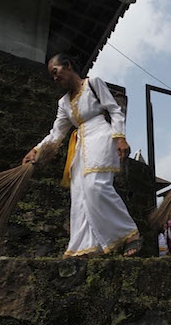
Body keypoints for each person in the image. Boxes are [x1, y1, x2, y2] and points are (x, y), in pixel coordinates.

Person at [23, 53, 140, 258]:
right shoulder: (63, 103)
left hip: (102, 137)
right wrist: (37, 149)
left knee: (96, 187)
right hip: (79, 148)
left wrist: (120, 137)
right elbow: (56, 134)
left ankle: (129, 233)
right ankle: (84, 247)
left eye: (56, 72)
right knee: (80, 196)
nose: (55, 78)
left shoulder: (93, 83)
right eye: (52, 76)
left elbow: (114, 110)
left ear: (68, 65)